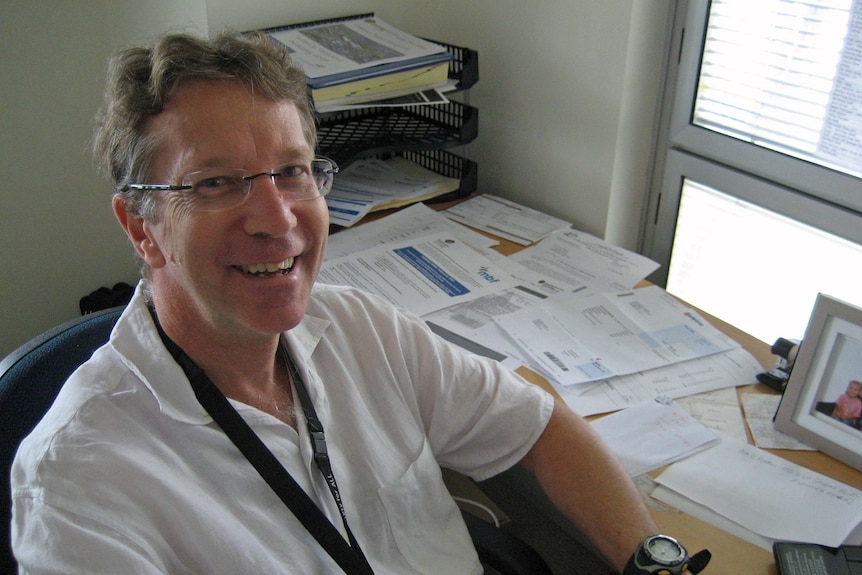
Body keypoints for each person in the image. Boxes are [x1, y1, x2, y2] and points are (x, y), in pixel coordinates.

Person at [11, 31, 707, 574]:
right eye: (217, 182)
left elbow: (540, 426)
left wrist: (653, 560)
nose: (275, 218)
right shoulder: (78, 481)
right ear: (141, 227)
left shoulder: (359, 327)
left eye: (291, 171)